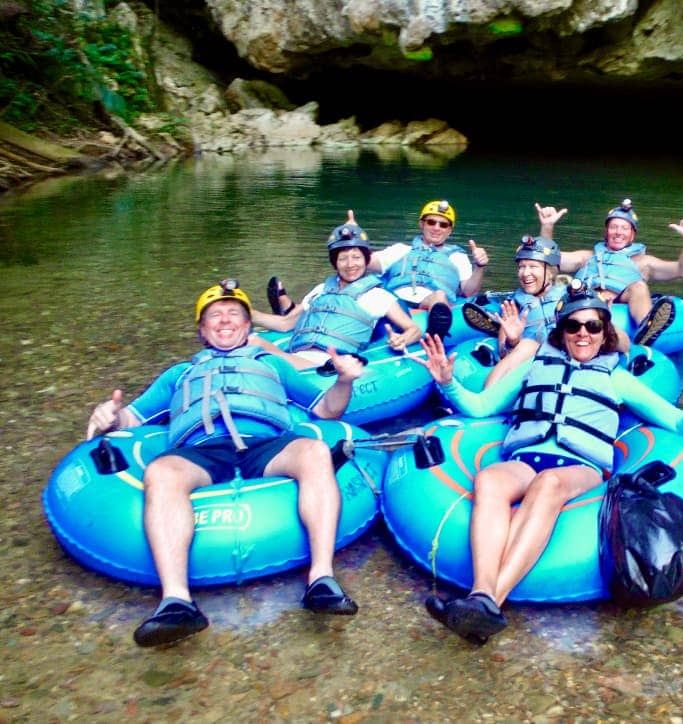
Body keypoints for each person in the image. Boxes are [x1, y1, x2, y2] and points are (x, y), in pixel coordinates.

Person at [413, 281, 683, 644]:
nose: (582, 333)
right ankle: (480, 595)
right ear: (562, 331)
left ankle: (489, 600)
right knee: (490, 478)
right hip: (526, 457)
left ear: (605, 334)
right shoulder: (535, 366)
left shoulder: (617, 378)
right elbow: (481, 407)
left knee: (549, 484)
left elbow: (679, 425)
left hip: (578, 466)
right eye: (573, 326)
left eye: (592, 326)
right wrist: (447, 383)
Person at [86, 280, 365, 648]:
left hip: (265, 444)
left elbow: (328, 409)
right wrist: (110, 416)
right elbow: (131, 419)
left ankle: (322, 580)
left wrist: (344, 380)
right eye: (214, 316)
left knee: (314, 451)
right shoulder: (179, 374)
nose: (225, 321)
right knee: (160, 472)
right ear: (202, 331)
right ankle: (176, 603)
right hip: (202, 449)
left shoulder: (272, 365)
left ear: (248, 327)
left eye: (234, 314)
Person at [462, 235, 629, 386]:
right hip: (535, 363)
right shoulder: (513, 305)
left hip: (576, 354)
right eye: (521, 267)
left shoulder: (575, 298)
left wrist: (606, 323)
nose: (525, 273)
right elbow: (504, 353)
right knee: (527, 345)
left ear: (550, 271)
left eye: (532, 266)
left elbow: (624, 345)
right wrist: (512, 341)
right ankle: (488, 402)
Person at [253, 220, 422, 368]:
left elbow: (413, 329)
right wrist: (247, 314)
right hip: (297, 356)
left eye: (356, 257)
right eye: (343, 259)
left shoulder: (377, 296)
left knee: (255, 345)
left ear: (365, 260)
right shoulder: (320, 290)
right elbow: (285, 323)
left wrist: (403, 340)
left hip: (326, 365)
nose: (350, 264)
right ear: (335, 263)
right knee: (251, 345)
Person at [536, 198, 683, 346]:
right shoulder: (587, 257)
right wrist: (547, 226)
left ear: (632, 236)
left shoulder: (643, 262)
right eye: (613, 227)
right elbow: (548, 259)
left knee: (639, 287)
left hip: (619, 301)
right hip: (584, 301)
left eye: (624, 228)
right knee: (559, 283)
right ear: (606, 232)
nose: (618, 232)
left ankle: (646, 330)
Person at [348, 201, 489, 338]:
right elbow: (364, 262)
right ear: (422, 224)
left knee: (439, 295)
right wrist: (354, 239)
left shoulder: (457, 257)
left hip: (429, 303)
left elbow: (469, 292)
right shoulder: (400, 250)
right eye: (431, 222)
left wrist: (480, 266)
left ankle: (433, 337)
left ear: (449, 230)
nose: (437, 228)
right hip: (395, 302)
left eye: (443, 225)